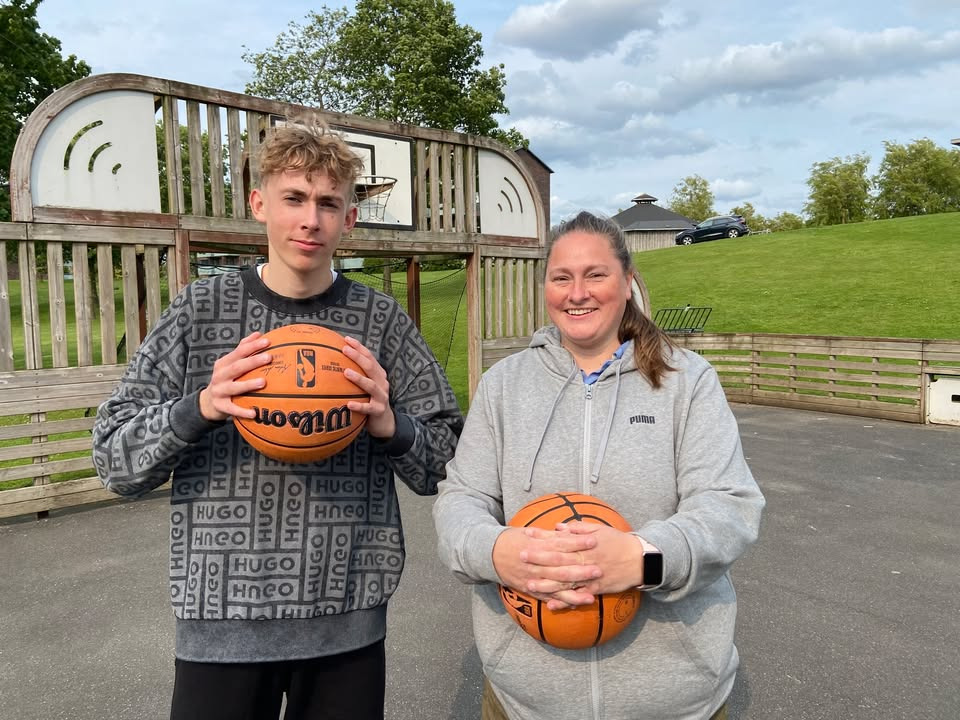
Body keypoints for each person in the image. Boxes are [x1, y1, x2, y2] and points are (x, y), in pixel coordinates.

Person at [93, 117, 463, 720]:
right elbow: (114, 459)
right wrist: (201, 408)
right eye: (294, 198)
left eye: (328, 203)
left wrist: (392, 427)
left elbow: (449, 461)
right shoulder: (200, 310)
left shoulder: (381, 323)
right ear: (259, 203)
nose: (310, 219)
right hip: (221, 625)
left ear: (350, 217)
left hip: (347, 624)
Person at [432, 210, 764, 720]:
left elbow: (729, 506)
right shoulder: (503, 385)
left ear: (627, 282)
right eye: (561, 277)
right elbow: (462, 499)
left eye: (595, 275)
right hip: (524, 699)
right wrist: (497, 551)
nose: (577, 292)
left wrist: (645, 559)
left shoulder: (686, 380)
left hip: (671, 701)